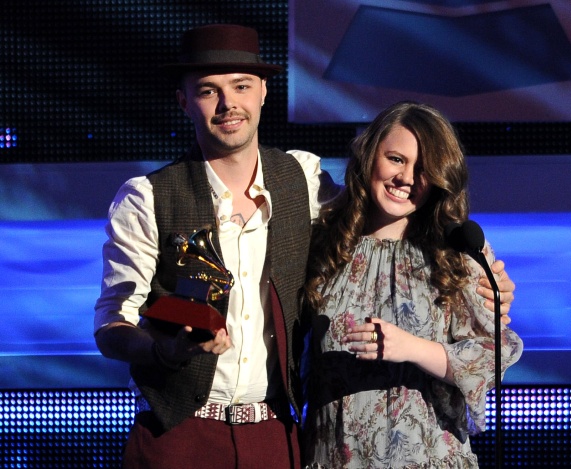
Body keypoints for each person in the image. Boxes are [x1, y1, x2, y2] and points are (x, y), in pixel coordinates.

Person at [93, 25, 517, 469]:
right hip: (186, 432)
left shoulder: (303, 181)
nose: (228, 103)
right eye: (208, 90)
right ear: (183, 101)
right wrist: (163, 351)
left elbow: (492, 346)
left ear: (263, 92)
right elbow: (113, 322)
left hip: (276, 434)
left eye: (241, 86)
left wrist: (493, 285)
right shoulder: (151, 198)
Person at [301, 101, 524, 468]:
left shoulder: (455, 250)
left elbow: (491, 355)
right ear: (370, 154)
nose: (406, 178)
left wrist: (411, 348)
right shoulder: (325, 241)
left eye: (423, 169)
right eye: (396, 159)